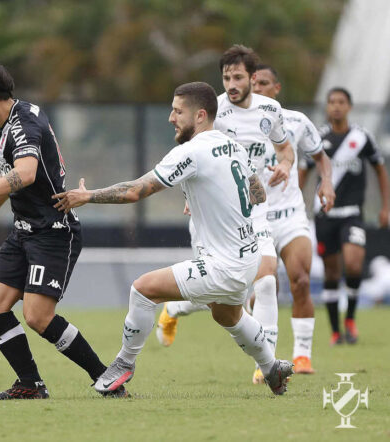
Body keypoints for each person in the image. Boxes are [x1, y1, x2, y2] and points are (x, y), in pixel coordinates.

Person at [53, 81, 294, 396]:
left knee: (142, 290)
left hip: (223, 265)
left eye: (178, 111)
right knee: (228, 314)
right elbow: (257, 193)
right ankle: (271, 368)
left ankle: (123, 365)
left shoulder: (191, 151)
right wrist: (206, 196)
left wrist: (88, 196)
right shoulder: (232, 143)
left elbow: (135, 190)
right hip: (247, 258)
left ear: (200, 116)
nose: (171, 118)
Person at [0, 59, 125, 399]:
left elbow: (27, 173)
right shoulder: (6, 124)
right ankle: (30, 384)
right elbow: (12, 177)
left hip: (54, 230)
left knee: (37, 316)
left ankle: (105, 378)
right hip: (25, 231)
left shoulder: (23, 125)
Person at [156, 45, 295, 385]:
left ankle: (268, 364)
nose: (231, 84)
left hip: (254, 210)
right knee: (223, 300)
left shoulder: (271, 110)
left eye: (237, 77)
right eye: (226, 78)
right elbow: (189, 154)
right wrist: (193, 192)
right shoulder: (213, 112)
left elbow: (285, 149)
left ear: (253, 78)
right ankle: (174, 308)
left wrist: (286, 167)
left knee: (265, 279)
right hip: (215, 216)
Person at [250, 64, 335, 372]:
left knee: (300, 280)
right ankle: (265, 359)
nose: (257, 88)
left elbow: (321, 157)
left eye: (263, 83)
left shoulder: (297, 121)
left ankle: (301, 355)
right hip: (255, 220)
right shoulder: (238, 123)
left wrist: (326, 182)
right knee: (263, 287)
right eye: (253, 83)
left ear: (277, 88)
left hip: (291, 217)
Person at [300, 87, 390, 345]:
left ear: (349, 106)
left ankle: (350, 319)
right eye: (331, 102)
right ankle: (335, 331)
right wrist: (295, 203)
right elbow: (304, 172)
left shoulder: (362, 138)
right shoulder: (317, 138)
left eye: (341, 102)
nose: (336, 106)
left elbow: (380, 170)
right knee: (330, 272)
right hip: (325, 214)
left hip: (353, 213)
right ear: (327, 107)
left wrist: (385, 207)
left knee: (352, 264)